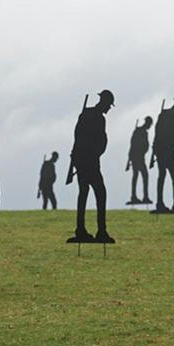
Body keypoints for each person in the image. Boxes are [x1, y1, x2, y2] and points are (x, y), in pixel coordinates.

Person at [66, 90, 115, 243]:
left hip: (84, 160)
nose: (108, 109)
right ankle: (98, 231)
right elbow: (95, 139)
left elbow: (78, 137)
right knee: (99, 193)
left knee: (84, 193)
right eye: (108, 105)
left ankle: (82, 229)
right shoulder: (98, 118)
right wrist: (94, 154)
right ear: (105, 103)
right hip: (90, 161)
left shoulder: (86, 115)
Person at [151, 96, 174, 213]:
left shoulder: (168, 116)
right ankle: (163, 204)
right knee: (168, 176)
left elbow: (172, 134)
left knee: (168, 176)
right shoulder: (169, 116)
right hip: (164, 151)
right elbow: (158, 133)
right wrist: (155, 151)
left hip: (166, 150)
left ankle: (170, 204)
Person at [126, 117, 153, 205]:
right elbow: (132, 144)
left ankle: (143, 196)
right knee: (139, 175)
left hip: (140, 156)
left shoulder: (143, 132)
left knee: (140, 176)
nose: (150, 126)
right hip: (137, 157)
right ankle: (135, 196)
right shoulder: (139, 131)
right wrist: (129, 159)